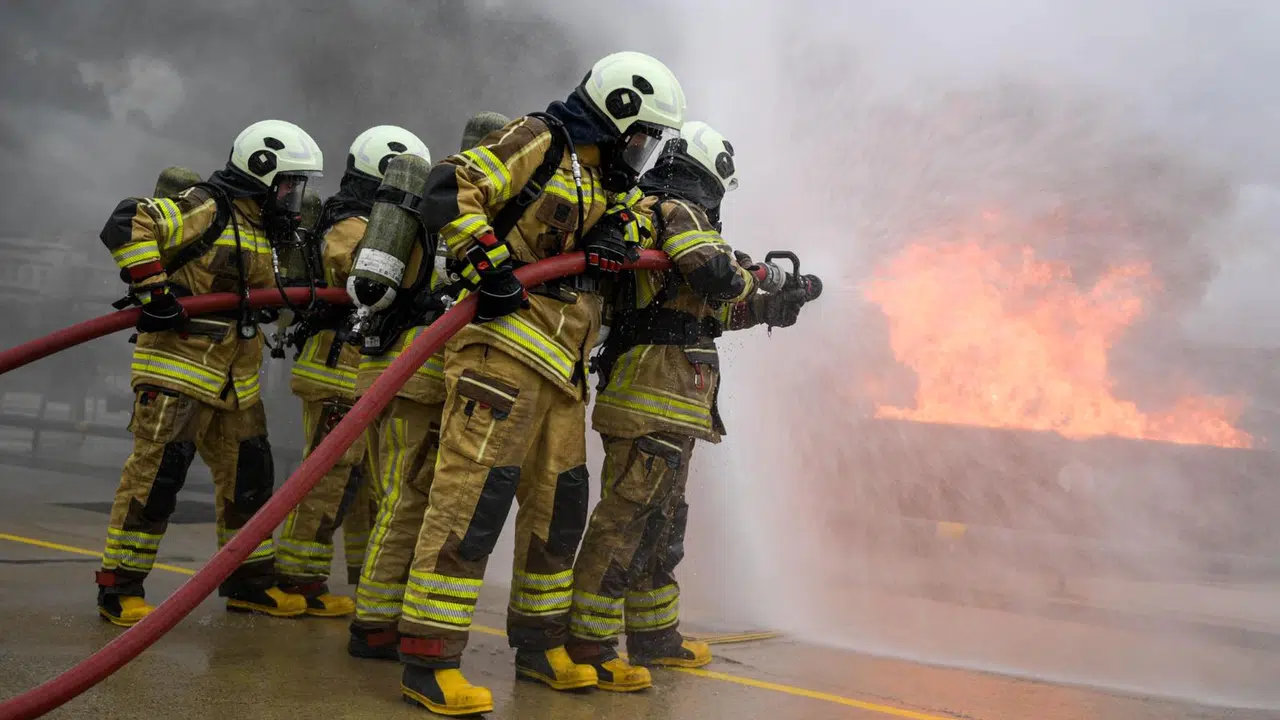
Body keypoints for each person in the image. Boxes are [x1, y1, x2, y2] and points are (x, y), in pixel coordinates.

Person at [394, 51, 686, 716]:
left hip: (562, 373)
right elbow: (453, 185)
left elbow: (638, 217)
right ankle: (430, 660)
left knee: (559, 510)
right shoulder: (541, 140)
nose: (641, 152)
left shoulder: (606, 178)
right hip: (500, 356)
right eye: (640, 136)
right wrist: (487, 261)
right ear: (613, 117)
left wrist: (615, 230)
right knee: (470, 504)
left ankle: (539, 647)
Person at [568, 121, 812, 678]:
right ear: (709, 174)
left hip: (671, 399)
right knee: (626, 520)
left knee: (662, 523)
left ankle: (655, 637)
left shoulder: (666, 224)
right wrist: (757, 278)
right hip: (650, 396)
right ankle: (590, 645)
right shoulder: (676, 210)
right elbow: (717, 276)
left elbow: (709, 311)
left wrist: (773, 307)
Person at [94, 119, 323, 626]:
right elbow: (129, 220)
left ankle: (248, 583)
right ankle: (120, 587)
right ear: (260, 171)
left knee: (250, 480)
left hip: (235, 382)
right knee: (156, 481)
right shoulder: (208, 207)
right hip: (177, 370)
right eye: (289, 184)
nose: (293, 195)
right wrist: (154, 291)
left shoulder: (264, 227)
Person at [347, 112, 511, 661]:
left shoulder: (423, 199)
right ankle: (374, 624)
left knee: (400, 497)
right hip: (417, 374)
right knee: (406, 499)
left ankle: (382, 615)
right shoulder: (459, 207)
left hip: (398, 370)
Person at [276, 125, 430, 617]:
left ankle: (369, 577)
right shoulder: (349, 223)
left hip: (360, 368)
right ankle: (299, 577)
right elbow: (357, 271)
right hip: (336, 367)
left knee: (363, 482)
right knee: (327, 479)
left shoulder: (369, 221)